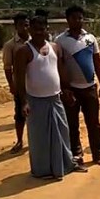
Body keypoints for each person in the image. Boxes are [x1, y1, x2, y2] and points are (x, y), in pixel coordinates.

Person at [14, 16, 87, 179]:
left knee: (61, 133)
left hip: (56, 99)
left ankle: (65, 165)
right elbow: (19, 78)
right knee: (40, 138)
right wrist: (24, 102)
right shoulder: (23, 51)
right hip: (36, 101)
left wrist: (67, 90)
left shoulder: (55, 47)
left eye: (43, 27)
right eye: (36, 27)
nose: (40, 30)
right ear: (30, 30)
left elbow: (60, 71)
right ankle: (42, 170)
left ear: (47, 28)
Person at [55, 5, 100, 167]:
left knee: (94, 123)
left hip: (90, 87)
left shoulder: (91, 38)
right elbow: (59, 65)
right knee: (72, 124)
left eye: (80, 18)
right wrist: (64, 88)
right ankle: (77, 155)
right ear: (68, 19)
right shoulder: (60, 41)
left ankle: (98, 153)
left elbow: (97, 62)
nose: (78, 21)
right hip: (71, 89)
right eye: (74, 18)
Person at [2, 13, 30, 154]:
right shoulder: (10, 45)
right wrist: (12, 85)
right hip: (21, 86)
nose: (25, 28)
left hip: (36, 85)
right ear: (16, 26)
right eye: (21, 25)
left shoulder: (36, 41)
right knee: (20, 115)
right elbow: (8, 68)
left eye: (26, 24)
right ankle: (19, 140)